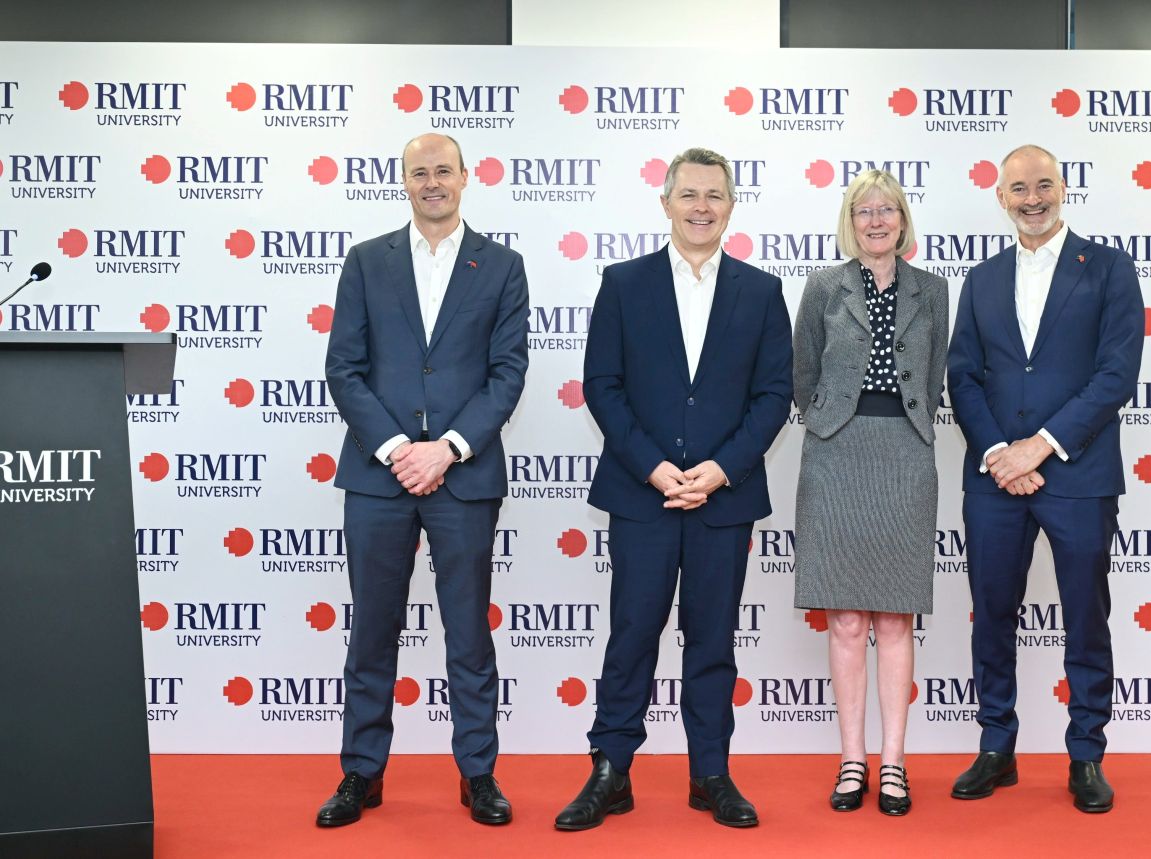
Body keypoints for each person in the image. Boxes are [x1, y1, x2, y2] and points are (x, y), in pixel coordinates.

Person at [554, 147, 793, 831]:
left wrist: (722, 469)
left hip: (724, 499)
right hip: (642, 495)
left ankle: (710, 772)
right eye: (688, 194)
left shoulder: (761, 291)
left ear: (731, 206)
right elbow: (602, 384)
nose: (701, 207)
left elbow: (775, 394)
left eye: (714, 195)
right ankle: (611, 769)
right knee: (631, 633)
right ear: (665, 203)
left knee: (713, 640)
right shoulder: (624, 283)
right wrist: (652, 466)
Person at [318, 133, 529, 827]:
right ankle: (361, 771)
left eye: (443, 170)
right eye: (419, 173)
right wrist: (397, 450)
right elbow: (344, 368)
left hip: (463, 477)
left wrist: (447, 450)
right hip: (377, 478)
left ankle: (478, 773)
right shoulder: (365, 260)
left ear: (466, 177)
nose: (432, 182)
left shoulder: (503, 266)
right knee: (372, 631)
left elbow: (508, 373)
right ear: (403, 182)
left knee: (469, 632)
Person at [946, 144, 1143, 813]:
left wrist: (1039, 447)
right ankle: (996, 746)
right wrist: (1000, 452)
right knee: (991, 614)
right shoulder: (981, 278)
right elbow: (962, 376)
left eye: (1043, 186)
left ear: (1063, 188)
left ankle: (1086, 753)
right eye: (1019, 189)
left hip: (1079, 474)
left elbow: (1116, 374)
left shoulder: (1110, 268)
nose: (1032, 199)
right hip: (995, 478)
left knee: (1086, 617)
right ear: (1000, 197)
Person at [791, 170, 948, 816]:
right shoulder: (822, 287)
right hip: (835, 454)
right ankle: (852, 759)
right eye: (864, 211)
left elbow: (933, 377)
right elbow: (803, 372)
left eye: (887, 210)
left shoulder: (933, 290)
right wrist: (832, 420)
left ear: (903, 220)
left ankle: (894, 762)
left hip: (906, 454)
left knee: (895, 617)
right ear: (849, 222)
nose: (876, 220)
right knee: (848, 620)